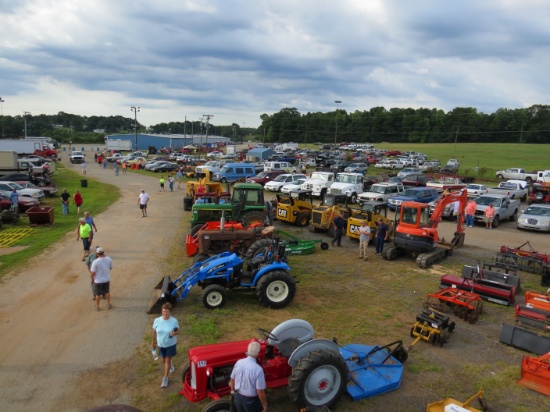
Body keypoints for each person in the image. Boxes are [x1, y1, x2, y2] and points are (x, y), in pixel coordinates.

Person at [230, 341, 267, 412]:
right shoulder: (258, 370)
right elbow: (260, 391)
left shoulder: (239, 362)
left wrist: (232, 393)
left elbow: (232, 379)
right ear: (258, 353)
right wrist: (264, 404)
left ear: (248, 350)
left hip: (238, 397)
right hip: (250, 400)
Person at [152, 303, 179, 388]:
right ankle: (170, 364)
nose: (165, 314)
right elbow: (154, 332)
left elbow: (178, 331)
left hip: (170, 344)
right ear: (161, 311)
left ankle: (165, 378)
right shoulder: (157, 320)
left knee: (167, 361)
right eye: (164, 311)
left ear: (170, 312)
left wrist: (174, 333)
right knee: (164, 360)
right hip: (161, 344)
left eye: (167, 312)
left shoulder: (174, 321)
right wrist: (153, 343)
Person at [90, 246, 113, 311]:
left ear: (96, 253)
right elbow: (110, 268)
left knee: (98, 294)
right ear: (103, 252)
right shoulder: (109, 259)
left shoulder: (95, 262)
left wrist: (92, 278)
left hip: (98, 281)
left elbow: (93, 272)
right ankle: (108, 304)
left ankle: (97, 306)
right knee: (107, 292)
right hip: (106, 279)